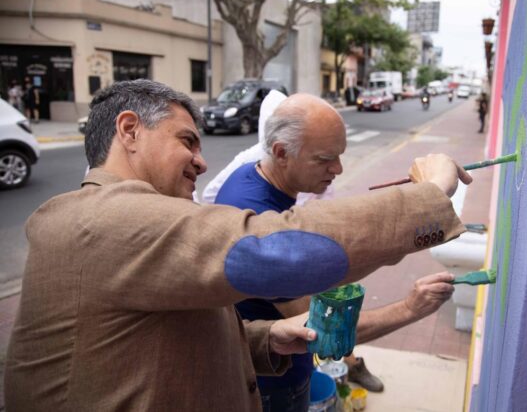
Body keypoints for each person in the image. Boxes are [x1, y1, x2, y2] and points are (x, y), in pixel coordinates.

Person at [4, 79, 471, 411]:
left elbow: (160, 339)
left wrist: (264, 339)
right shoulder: (101, 218)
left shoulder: (128, 222)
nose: (202, 162)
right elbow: (279, 253)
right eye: (187, 140)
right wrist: (427, 197)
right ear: (129, 131)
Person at [211, 93, 461, 411]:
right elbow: (321, 326)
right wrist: (410, 308)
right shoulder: (257, 213)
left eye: (340, 155)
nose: (339, 168)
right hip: (273, 384)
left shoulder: (255, 174)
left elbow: (330, 238)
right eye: (325, 159)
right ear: (281, 153)